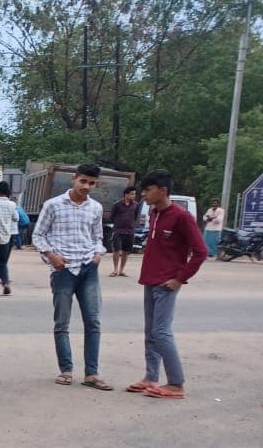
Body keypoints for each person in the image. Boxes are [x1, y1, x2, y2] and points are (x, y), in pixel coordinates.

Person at [127, 170, 207, 400]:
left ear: (163, 191)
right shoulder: (154, 213)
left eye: (147, 190)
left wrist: (179, 279)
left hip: (167, 283)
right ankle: (151, 377)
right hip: (149, 280)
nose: (143, 195)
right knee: (150, 333)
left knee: (161, 332)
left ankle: (176, 384)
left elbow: (201, 252)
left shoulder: (182, 217)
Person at [32, 163, 112, 391]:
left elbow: (98, 237)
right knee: (62, 323)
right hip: (63, 270)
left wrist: (97, 254)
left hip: (88, 269)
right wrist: (51, 256)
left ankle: (92, 374)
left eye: (92, 183)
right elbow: (38, 235)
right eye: (83, 181)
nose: (86, 186)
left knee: (93, 322)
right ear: (74, 179)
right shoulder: (53, 205)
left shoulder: (95, 208)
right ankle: (66, 370)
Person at [108, 186, 141, 277]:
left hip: (130, 231)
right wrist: (118, 223)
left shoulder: (136, 205)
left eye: (134, 194)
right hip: (118, 230)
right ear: (126, 194)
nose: (134, 196)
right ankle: (115, 270)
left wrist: (132, 224)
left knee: (126, 251)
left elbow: (136, 216)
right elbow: (112, 217)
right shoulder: (117, 205)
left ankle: (121, 270)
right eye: (132, 194)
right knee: (116, 250)